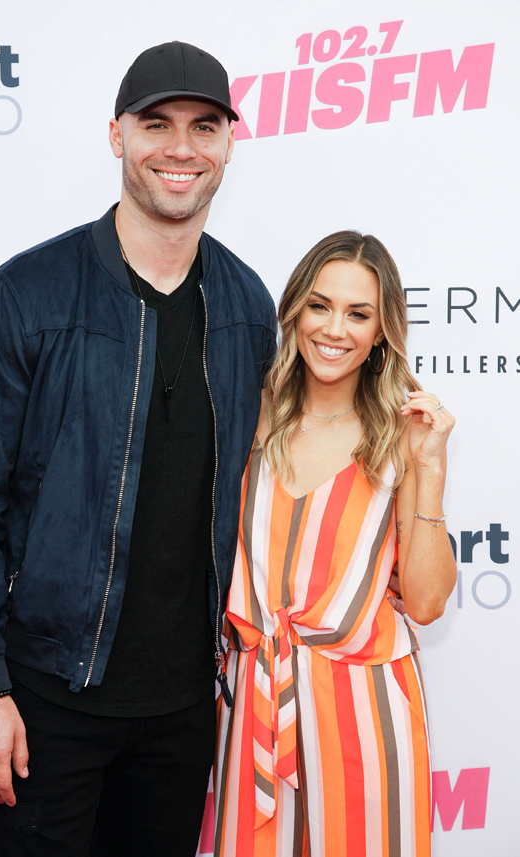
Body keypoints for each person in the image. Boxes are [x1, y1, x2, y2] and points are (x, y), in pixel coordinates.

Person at [0, 41, 277, 857]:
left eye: (204, 126)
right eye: (156, 124)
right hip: (47, 703)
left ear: (229, 142)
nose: (181, 148)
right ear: (117, 135)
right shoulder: (26, 295)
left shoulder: (247, 304)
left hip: (187, 710)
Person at [212, 231, 457, 857]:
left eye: (359, 314)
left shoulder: (401, 436)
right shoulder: (247, 413)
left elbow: (426, 602)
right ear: (294, 310)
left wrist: (429, 470)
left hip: (366, 716)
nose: (335, 329)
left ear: (382, 333)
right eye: (320, 305)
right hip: (255, 703)